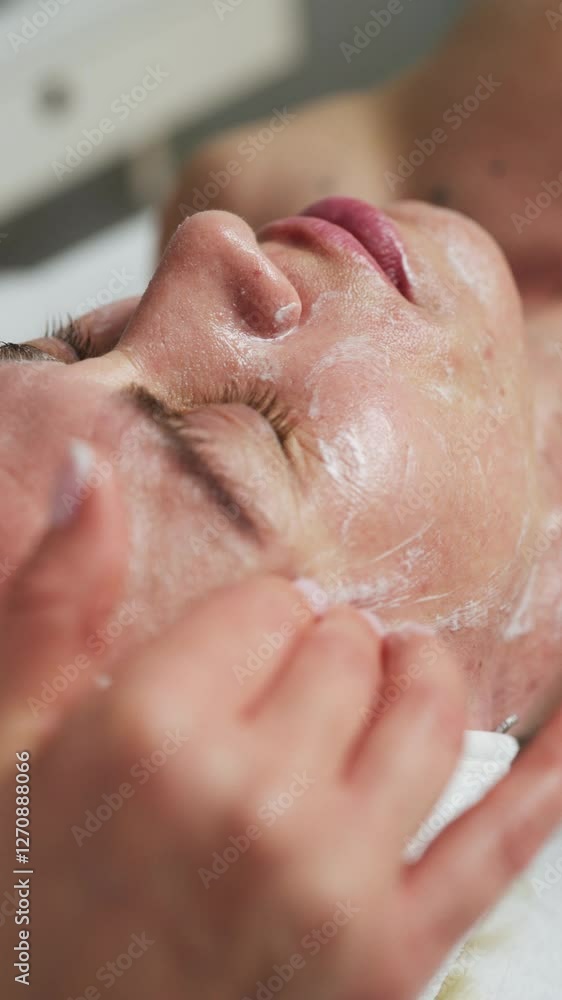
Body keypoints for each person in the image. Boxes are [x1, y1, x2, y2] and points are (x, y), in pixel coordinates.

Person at [1, 0, 562, 994]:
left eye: (72, 340)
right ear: (406, 752)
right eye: (236, 431)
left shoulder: (384, 169)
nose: (208, 242)